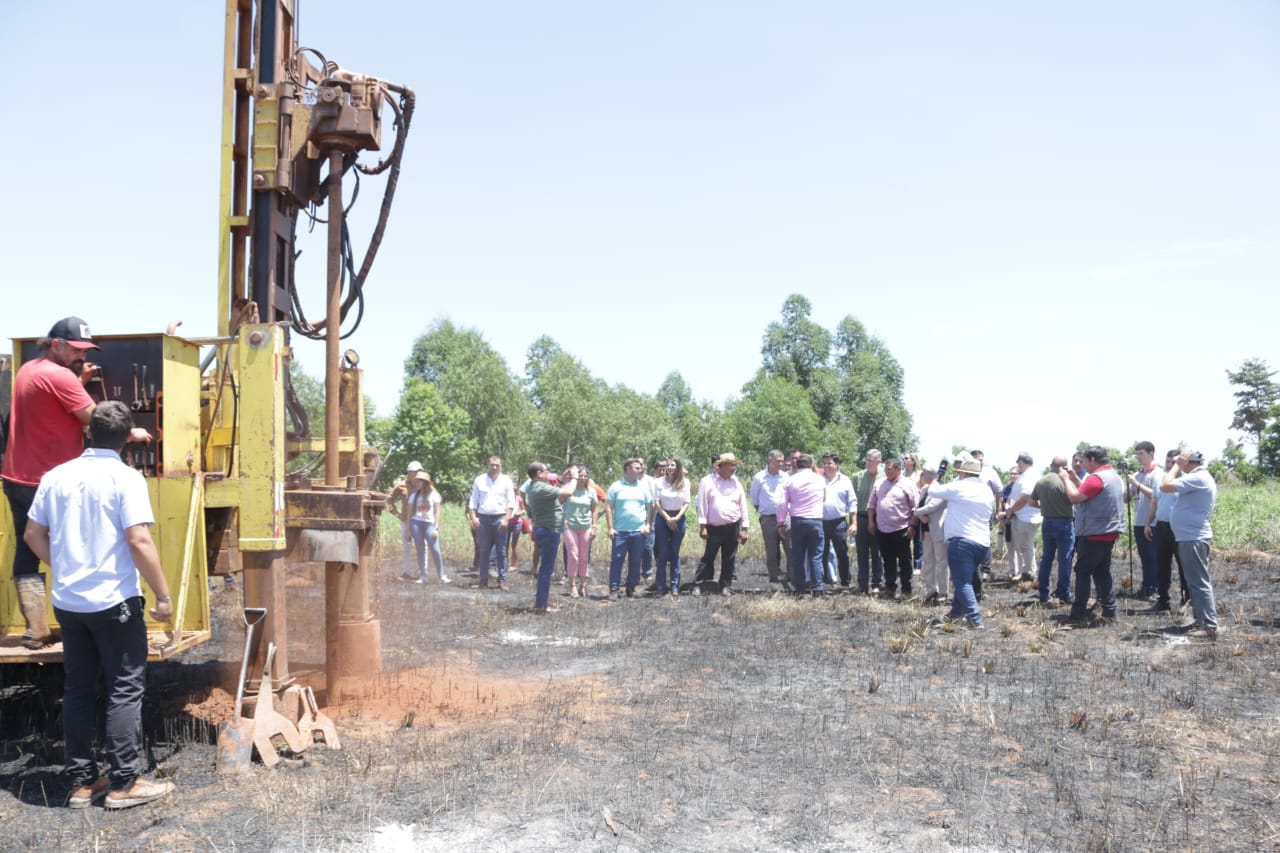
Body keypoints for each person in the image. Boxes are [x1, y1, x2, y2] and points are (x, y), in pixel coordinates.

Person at [23, 401, 174, 809]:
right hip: (114, 602)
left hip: (69, 603)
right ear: (127, 438)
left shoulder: (55, 476)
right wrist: (162, 595)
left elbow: (33, 535)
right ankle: (124, 783)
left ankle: (82, 783)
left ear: (88, 432)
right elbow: (138, 540)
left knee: (78, 689)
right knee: (124, 688)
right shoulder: (126, 478)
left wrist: (64, 567)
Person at [2, 317, 151, 649]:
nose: (81, 356)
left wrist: (78, 381)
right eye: (75, 350)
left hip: (16, 476)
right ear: (56, 345)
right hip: (49, 481)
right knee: (80, 544)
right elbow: (97, 421)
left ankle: (36, 629)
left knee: (27, 548)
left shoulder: (29, 369)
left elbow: (51, 402)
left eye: (85, 351)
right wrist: (134, 432)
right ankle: (86, 617)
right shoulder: (61, 378)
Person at [923, 456, 993, 628]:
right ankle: (956, 613)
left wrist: (933, 480)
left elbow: (933, 492)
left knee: (962, 583)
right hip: (982, 543)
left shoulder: (959, 486)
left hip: (962, 541)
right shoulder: (986, 490)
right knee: (965, 578)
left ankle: (975, 620)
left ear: (963, 472)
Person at [1060, 446, 1125, 625]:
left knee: (1083, 571)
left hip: (1094, 533)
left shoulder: (1097, 478)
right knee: (1102, 571)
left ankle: (1079, 611)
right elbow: (1089, 492)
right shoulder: (1113, 476)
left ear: (1093, 460)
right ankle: (1109, 609)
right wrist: (1075, 478)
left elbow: (1075, 498)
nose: (1083, 465)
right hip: (1108, 532)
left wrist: (1066, 480)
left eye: (1085, 461)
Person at [1161, 450, 1219, 640]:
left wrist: (1177, 465)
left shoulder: (1198, 477)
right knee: (1194, 582)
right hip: (1189, 537)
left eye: (1179, 462)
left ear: (1188, 462)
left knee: (1198, 582)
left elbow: (1165, 485)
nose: (1175, 465)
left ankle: (1209, 626)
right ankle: (1201, 620)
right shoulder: (1197, 477)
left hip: (1193, 537)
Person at [692, 453, 750, 597]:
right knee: (708, 557)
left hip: (733, 526)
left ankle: (725, 586)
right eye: (731, 465)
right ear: (721, 466)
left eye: (734, 465)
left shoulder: (736, 482)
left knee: (729, 558)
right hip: (714, 527)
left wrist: (744, 528)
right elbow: (702, 504)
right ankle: (698, 584)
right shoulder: (707, 481)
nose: (734, 468)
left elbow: (743, 505)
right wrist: (703, 526)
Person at [525, 462, 575, 613]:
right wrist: (574, 478)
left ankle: (543, 601)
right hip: (548, 531)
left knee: (546, 568)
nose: (549, 472)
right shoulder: (540, 487)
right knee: (546, 570)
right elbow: (568, 493)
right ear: (539, 473)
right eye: (546, 470)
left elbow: (557, 493)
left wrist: (562, 479)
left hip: (545, 529)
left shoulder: (535, 486)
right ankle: (541, 605)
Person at [1143, 449, 1187, 613]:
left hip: (1179, 528)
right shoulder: (1161, 480)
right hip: (1161, 526)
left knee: (1183, 566)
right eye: (1168, 462)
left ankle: (1186, 602)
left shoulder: (1186, 480)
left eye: (1173, 462)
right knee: (1162, 565)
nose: (1169, 465)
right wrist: (1148, 524)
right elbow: (1154, 503)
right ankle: (1163, 601)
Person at [868, 457, 920, 599]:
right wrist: (871, 522)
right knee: (888, 560)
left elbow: (915, 508)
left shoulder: (908, 484)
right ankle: (890, 588)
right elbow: (871, 505)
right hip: (882, 529)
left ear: (898, 469)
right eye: (885, 469)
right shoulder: (879, 483)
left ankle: (906, 590)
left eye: (889, 469)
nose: (887, 472)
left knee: (904, 561)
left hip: (901, 528)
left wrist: (913, 526)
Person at [777, 453, 826, 596]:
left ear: (797, 465)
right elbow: (825, 498)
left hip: (798, 521)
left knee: (797, 557)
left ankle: (800, 590)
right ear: (811, 465)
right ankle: (817, 589)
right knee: (815, 557)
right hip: (815, 520)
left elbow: (782, 504)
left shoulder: (790, 481)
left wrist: (780, 523)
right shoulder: (820, 479)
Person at [604, 458, 654, 598]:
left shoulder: (643, 487)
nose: (641, 469)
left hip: (639, 531)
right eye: (637, 467)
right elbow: (608, 507)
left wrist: (648, 525)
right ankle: (614, 589)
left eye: (641, 467)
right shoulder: (616, 486)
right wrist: (610, 527)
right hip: (620, 532)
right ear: (628, 468)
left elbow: (650, 506)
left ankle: (631, 588)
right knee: (617, 560)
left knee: (636, 561)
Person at [466, 456, 517, 589]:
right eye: (492, 465)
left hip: (500, 518)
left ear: (501, 466)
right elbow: (473, 500)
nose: (494, 467)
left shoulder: (506, 480)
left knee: (501, 551)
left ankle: (501, 580)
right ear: (487, 465)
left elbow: (511, 501)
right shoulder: (479, 480)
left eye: (497, 465)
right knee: (483, 550)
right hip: (483, 519)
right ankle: (483, 581)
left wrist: (506, 519)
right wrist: (473, 517)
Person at [1030, 456, 1075, 605]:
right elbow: (1075, 499)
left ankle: (1043, 592)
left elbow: (1032, 502)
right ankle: (1064, 593)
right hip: (1064, 522)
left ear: (1051, 465)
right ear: (1065, 467)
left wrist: (1044, 507)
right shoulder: (1065, 481)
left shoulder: (1042, 481)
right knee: (1065, 559)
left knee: (1046, 558)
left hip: (1047, 521)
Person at [999, 453, 1042, 583]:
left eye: (1018, 462)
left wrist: (1011, 509)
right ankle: (1029, 573)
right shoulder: (1028, 475)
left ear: (1021, 462)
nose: (1017, 465)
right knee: (1025, 546)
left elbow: (1025, 497)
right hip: (1023, 516)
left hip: (1026, 518)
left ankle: (1030, 574)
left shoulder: (1029, 476)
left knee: (1025, 547)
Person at [1126, 441, 1162, 598]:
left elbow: (1155, 495)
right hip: (1138, 521)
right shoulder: (1138, 474)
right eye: (1137, 454)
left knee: (1154, 557)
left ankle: (1155, 587)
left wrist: (1136, 484)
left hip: (1153, 522)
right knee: (1144, 557)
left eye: (1141, 454)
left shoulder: (1157, 473)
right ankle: (1146, 585)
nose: (1138, 457)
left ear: (1151, 453)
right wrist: (1128, 487)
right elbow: (1127, 498)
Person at [750, 450, 790, 589]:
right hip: (768, 519)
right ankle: (773, 578)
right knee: (771, 549)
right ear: (769, 460)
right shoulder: (759, 477)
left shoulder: (785, 477)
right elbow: (754, 499)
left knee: (789, 548)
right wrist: (765, 511)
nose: (781, 463)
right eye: (778, 461)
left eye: (782, 461)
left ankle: (791, 577)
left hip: (786, 518)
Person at [653, 458, 691, 598]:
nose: (669, 467)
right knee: (663, 552)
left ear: (678, 467)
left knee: (674, 552)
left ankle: (675, 586)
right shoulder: (658, 482)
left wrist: (676, 518)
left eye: (672, 465)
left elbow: (687, 502)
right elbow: (657, 502)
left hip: (678, 518)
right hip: (662, 518)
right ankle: (660, 586)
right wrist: (668, 518)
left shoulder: (685, 482)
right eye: (668, 465)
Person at [402, 471, 448, 584]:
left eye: (419, 481)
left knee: (435, 549)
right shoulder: (413, 496)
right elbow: (409, 513)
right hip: (416, 523)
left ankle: (441, 575)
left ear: (425, 483)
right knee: (420, 549)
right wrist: (408, 529)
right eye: (416, 481)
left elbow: (437, 512)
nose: (416, 483)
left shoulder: (434, 495)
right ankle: (423, 575)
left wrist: (436, 528)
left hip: (429, 524)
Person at [913, 464, 949, 605]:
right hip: (926, 530)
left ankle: (943, 592)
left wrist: (917, 512)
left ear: (927, 476)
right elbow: (920, 506)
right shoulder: (924, 490)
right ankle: (931, 590)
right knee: (928, 561)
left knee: (941, 562)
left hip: (938, 530)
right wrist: (920, 515)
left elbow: (933, 506)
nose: (921, 477)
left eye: (923, 474)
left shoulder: (940, 489)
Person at [562, 465, 599, 599]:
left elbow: (595, 510)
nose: (582, 478)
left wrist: (594, 526)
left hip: (585, 527)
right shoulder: (568, 489)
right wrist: (562, 519)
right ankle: (572, 585)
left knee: (584, 557)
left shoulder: (591, 492)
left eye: (585, 476)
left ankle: (582, 585)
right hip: (569, 526)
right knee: (573, 555)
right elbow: (558, 503)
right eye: (580, 475)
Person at [819, 453, 856, 588]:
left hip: (838, 522)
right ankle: (823, 581)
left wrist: (854, 523)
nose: (826, 466)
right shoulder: (818, 479)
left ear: (837, 464)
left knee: (842, 552)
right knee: (821, 552)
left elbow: (852, 502)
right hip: (820, 522)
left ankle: (845, 581)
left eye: (829, 463)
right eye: (824, 463)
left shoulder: (845, 480)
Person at [851, 450, 886, 594]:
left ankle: (877, 583)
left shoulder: (885, 477)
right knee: (862, 552)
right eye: (867, 459)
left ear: (879, 461)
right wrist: (853, 521)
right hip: (861, 517)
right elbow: (852, 501)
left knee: (877, 552)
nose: (868, 462)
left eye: (871, 460)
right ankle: (862, 584)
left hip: (879, 518)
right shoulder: (857, 477)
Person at [387, 461, 424, 578]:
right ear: (408, 472)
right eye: (413, 472)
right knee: (406, 548)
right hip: (406, 521)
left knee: (422, 547)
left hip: (421, 521)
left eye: (417, 471)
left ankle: (423, 573)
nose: (415, 474)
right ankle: (407, 572)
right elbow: (390, 499)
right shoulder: (401, 485)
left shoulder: (424, 485)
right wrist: (396, 513)